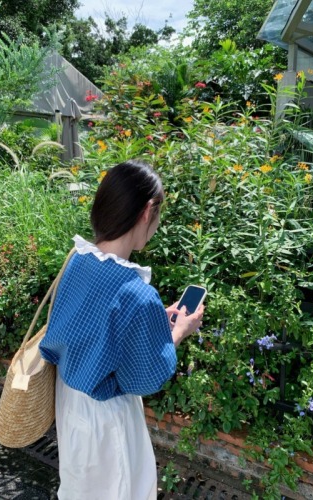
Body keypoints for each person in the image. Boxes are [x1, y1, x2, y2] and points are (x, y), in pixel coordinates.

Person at [39, 160, 204, 500]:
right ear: (146, 212)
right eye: (158, 216)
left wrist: (153, 318)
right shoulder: (135, 292)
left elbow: (88, 327)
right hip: (106, 419)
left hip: (69, 403)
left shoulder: (79, 260)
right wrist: (177, 332)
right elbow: (144, 375)